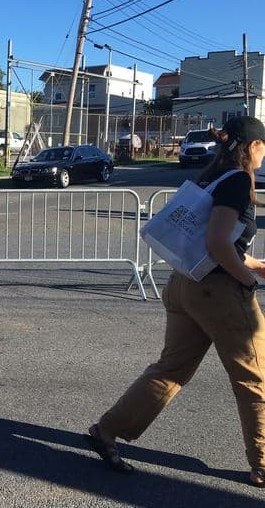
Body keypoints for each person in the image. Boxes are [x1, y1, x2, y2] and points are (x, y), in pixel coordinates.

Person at [86, 115, 265, 487]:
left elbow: (217, 242)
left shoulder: (213, 174)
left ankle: (107, 430)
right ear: (252, 146)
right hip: (218, 293)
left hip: (185, 284)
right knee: (255, 379)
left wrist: (254, 263)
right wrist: (247, 281)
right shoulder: (237, 182)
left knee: (170, 370)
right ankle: (262, 464)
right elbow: (217, 244)